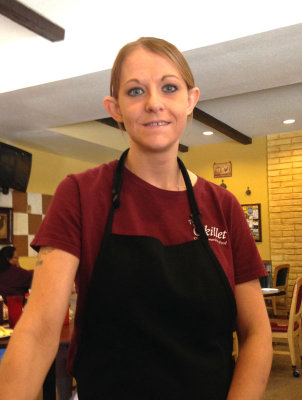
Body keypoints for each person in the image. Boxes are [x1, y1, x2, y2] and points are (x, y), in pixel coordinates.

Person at [0, 37, 272, 399]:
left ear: (191, 100)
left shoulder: (223, 206)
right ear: (114, 108)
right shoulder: (80, 194)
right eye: (135, 91)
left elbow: (256, 334)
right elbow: (38, 330)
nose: (154, 103)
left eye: (169, 87)